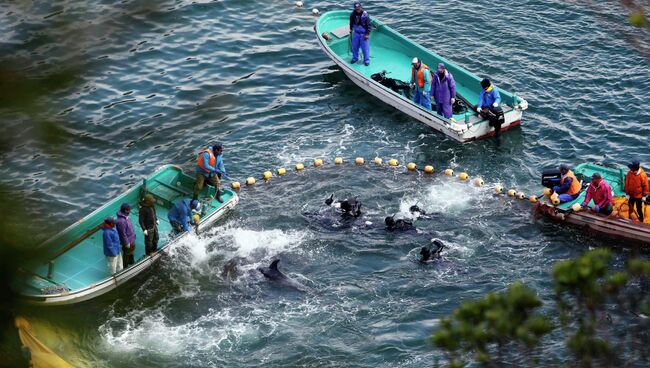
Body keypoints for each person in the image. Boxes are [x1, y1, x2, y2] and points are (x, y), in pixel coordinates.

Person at [116, 203, 136, 268]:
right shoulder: (121, 221)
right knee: (126, 253)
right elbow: (122, 234)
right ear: (125, 210)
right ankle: (125, 266)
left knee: (131, 251)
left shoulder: (126, 217)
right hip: (128, 241)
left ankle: (131, 262)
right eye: (129, 210)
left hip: (131, 239)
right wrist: (126, 243)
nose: (130, 211)